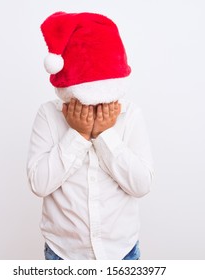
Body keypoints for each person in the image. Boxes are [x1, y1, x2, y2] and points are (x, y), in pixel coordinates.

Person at [26, 11, 154, 260]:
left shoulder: (130, 115)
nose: (94, 109)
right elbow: (39, 184)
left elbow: (142, 185)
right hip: (63, 253)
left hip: (122, 252)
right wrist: (78, 134)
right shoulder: (48, 115)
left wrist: (105, 134)